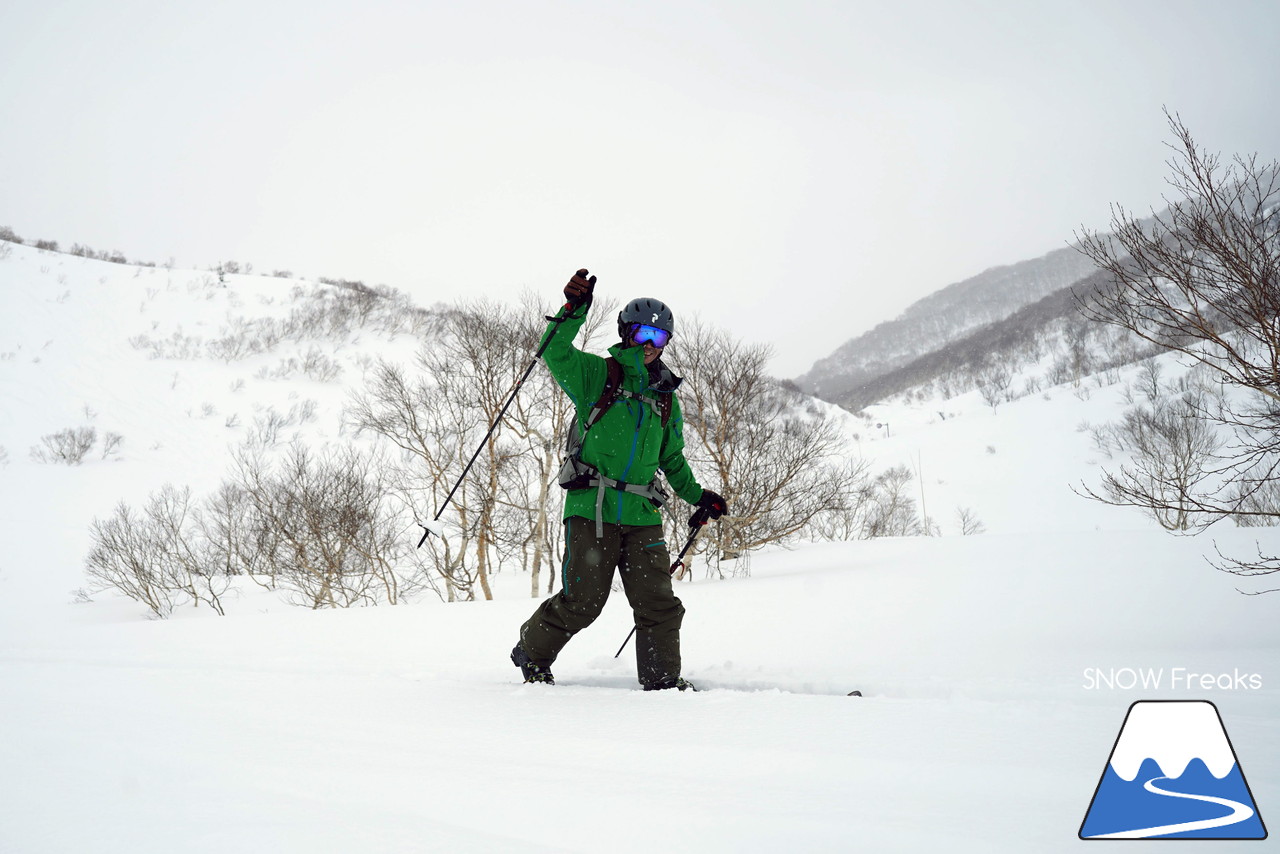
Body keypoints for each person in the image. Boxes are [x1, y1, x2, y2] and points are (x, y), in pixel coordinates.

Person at [511, 268, 727, 691]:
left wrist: (699, 496)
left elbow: (672, 459)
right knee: (583, 603)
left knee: (658, 604)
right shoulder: (597, 376)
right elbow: (553, 351)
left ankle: (663, 682)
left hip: (642, 514)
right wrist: (572, 311)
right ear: (627, 332)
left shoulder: (665, 401)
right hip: (591, 508)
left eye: (659, 338)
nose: (650, 345)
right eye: (644, 333)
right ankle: (531, 651)